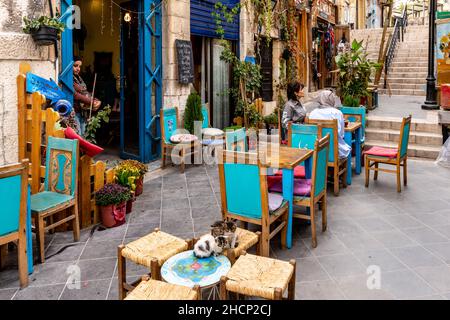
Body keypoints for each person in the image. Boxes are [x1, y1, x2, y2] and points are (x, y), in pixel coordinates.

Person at [309, 90, 351, 159]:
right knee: (345, 145)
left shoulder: (312, 113)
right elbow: (341, 134)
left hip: (316, 149)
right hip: (334, 151)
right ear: (331, 99)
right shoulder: (337, 113)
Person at [73, 56, 101, 135]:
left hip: (83, 112)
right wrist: (91, 101)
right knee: (78, 137)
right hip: (75, 112)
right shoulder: (69, 78)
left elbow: (85, 92)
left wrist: (95, 99)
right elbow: (76, 95)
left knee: (84, 136)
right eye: (75, 66)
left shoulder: (79, 78)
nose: (78, 68)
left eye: (79, 66)